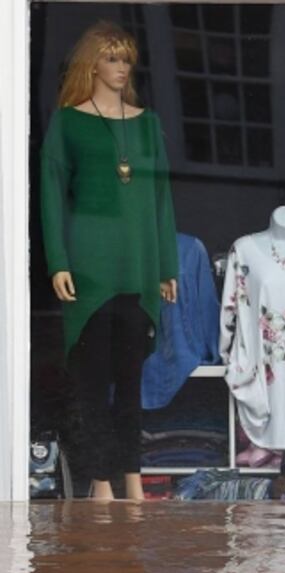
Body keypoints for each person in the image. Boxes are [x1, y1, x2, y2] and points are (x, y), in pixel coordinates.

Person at [40, 21, 179, 500]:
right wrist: (58, 260)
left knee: (131, 382)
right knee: (93, 384)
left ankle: (134, 481)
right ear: (92, 64)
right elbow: (52, 195)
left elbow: (161, 199)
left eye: (126, 60)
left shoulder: (147, 124)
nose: (121, 68)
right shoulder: (68, 122)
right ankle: (101, 483)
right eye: (112, 59)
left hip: (137, 271)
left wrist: (166, 267)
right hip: (89, 271)